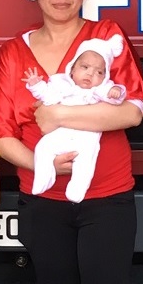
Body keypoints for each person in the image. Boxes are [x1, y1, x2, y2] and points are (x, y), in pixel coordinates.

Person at [0, 0, 143, 284]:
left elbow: (131, 112)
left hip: (107, 198)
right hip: (42, 201)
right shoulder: (13, 52)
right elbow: (1, 135)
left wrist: (58, 114)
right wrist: (43, 164)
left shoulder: (105, 37)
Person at [24, 34, 127, 203]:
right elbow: (48, 97)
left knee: (85, 162)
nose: (90, 74)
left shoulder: (99, 89)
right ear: (72, 68)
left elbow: (114, 98)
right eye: (85, 67)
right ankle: (44, 178)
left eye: (99, 72)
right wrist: (36, 85)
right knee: (43, 148)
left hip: (86, 136)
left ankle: (77, 189)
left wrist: (116, 91)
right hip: (61, 133)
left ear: (105, 76)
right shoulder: (61, 85)